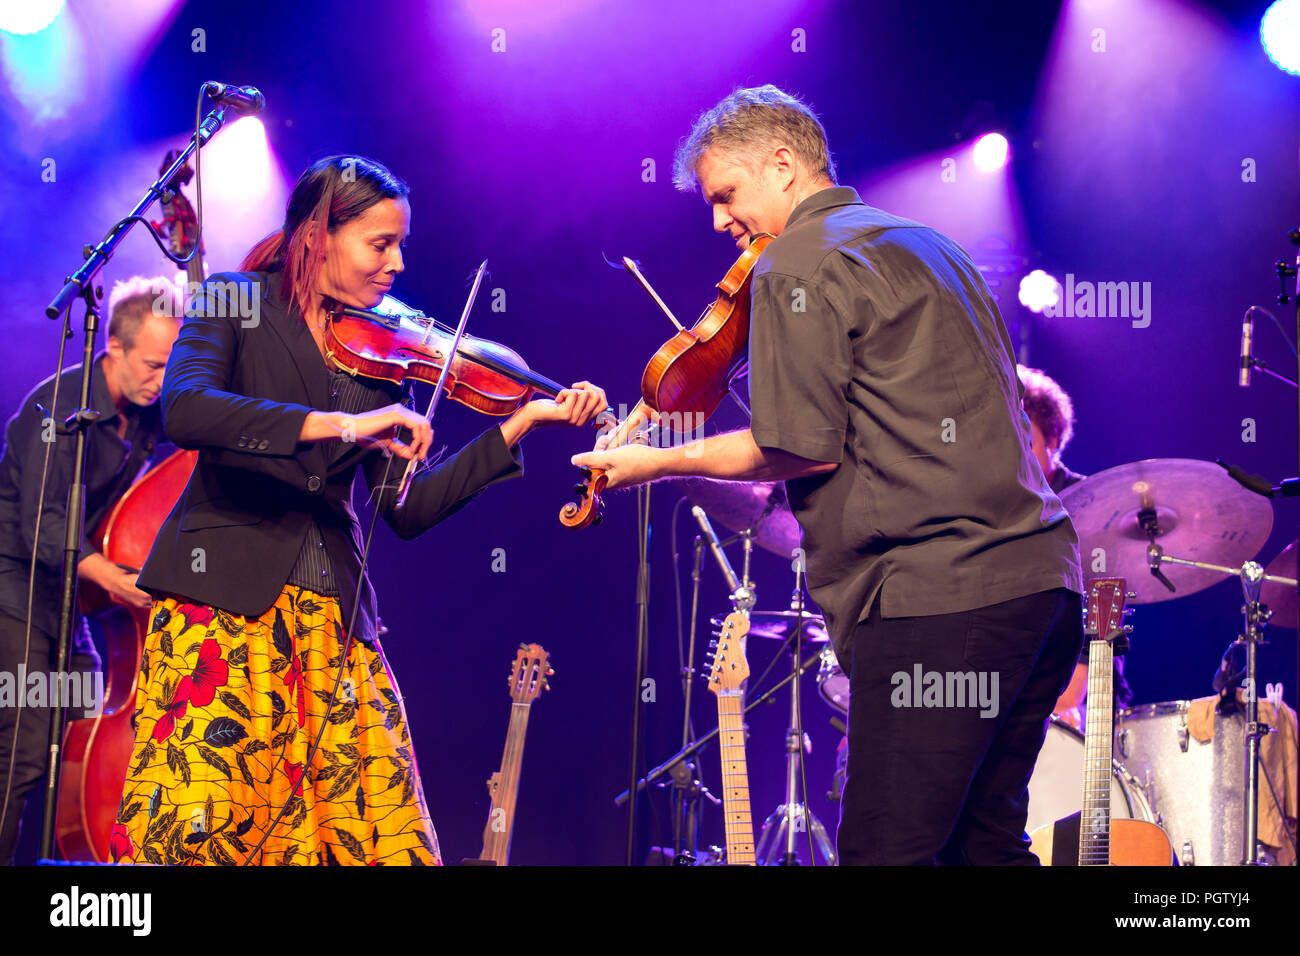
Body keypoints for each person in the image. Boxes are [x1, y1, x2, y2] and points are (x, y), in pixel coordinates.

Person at [575, 86, 1083, 865]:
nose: (719, 222)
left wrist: (656, 461)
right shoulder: (930, 244)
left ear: (782, 165)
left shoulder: (798, 258)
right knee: (984, 849)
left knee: (889, 851)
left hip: (940, 600)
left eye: (726, 195)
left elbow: (800, 446)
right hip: (1041, 588)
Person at [110, 155, 606, 866]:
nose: (398, 263)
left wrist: (519, 425)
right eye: (381, 244)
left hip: (333, 623)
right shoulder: (234, 300)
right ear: (318, 235)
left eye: (400, 244)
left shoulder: (377, 357)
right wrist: (337, 425)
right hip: (221, 612)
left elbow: (404, 509)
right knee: (206, 830)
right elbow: (187, 408)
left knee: (377, 839)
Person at [0, 277, 181, 864]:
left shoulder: (148, 413)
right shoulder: (58, 409)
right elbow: (44, 528)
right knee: (25, 753)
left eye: (170, 365)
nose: (162, 380)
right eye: (152, 365)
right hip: (15, 592)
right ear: (116, 352)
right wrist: (116, 579)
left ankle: (69, 879)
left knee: (81, 740)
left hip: (67, 601)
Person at [1018, 364, 1132, 728]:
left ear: (1052, 440)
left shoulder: (1093, 509)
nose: (1013, 454)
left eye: (1026, 441)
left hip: (1082, 697)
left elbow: (1102, 615)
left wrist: (1070, 694)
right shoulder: (994, 507)